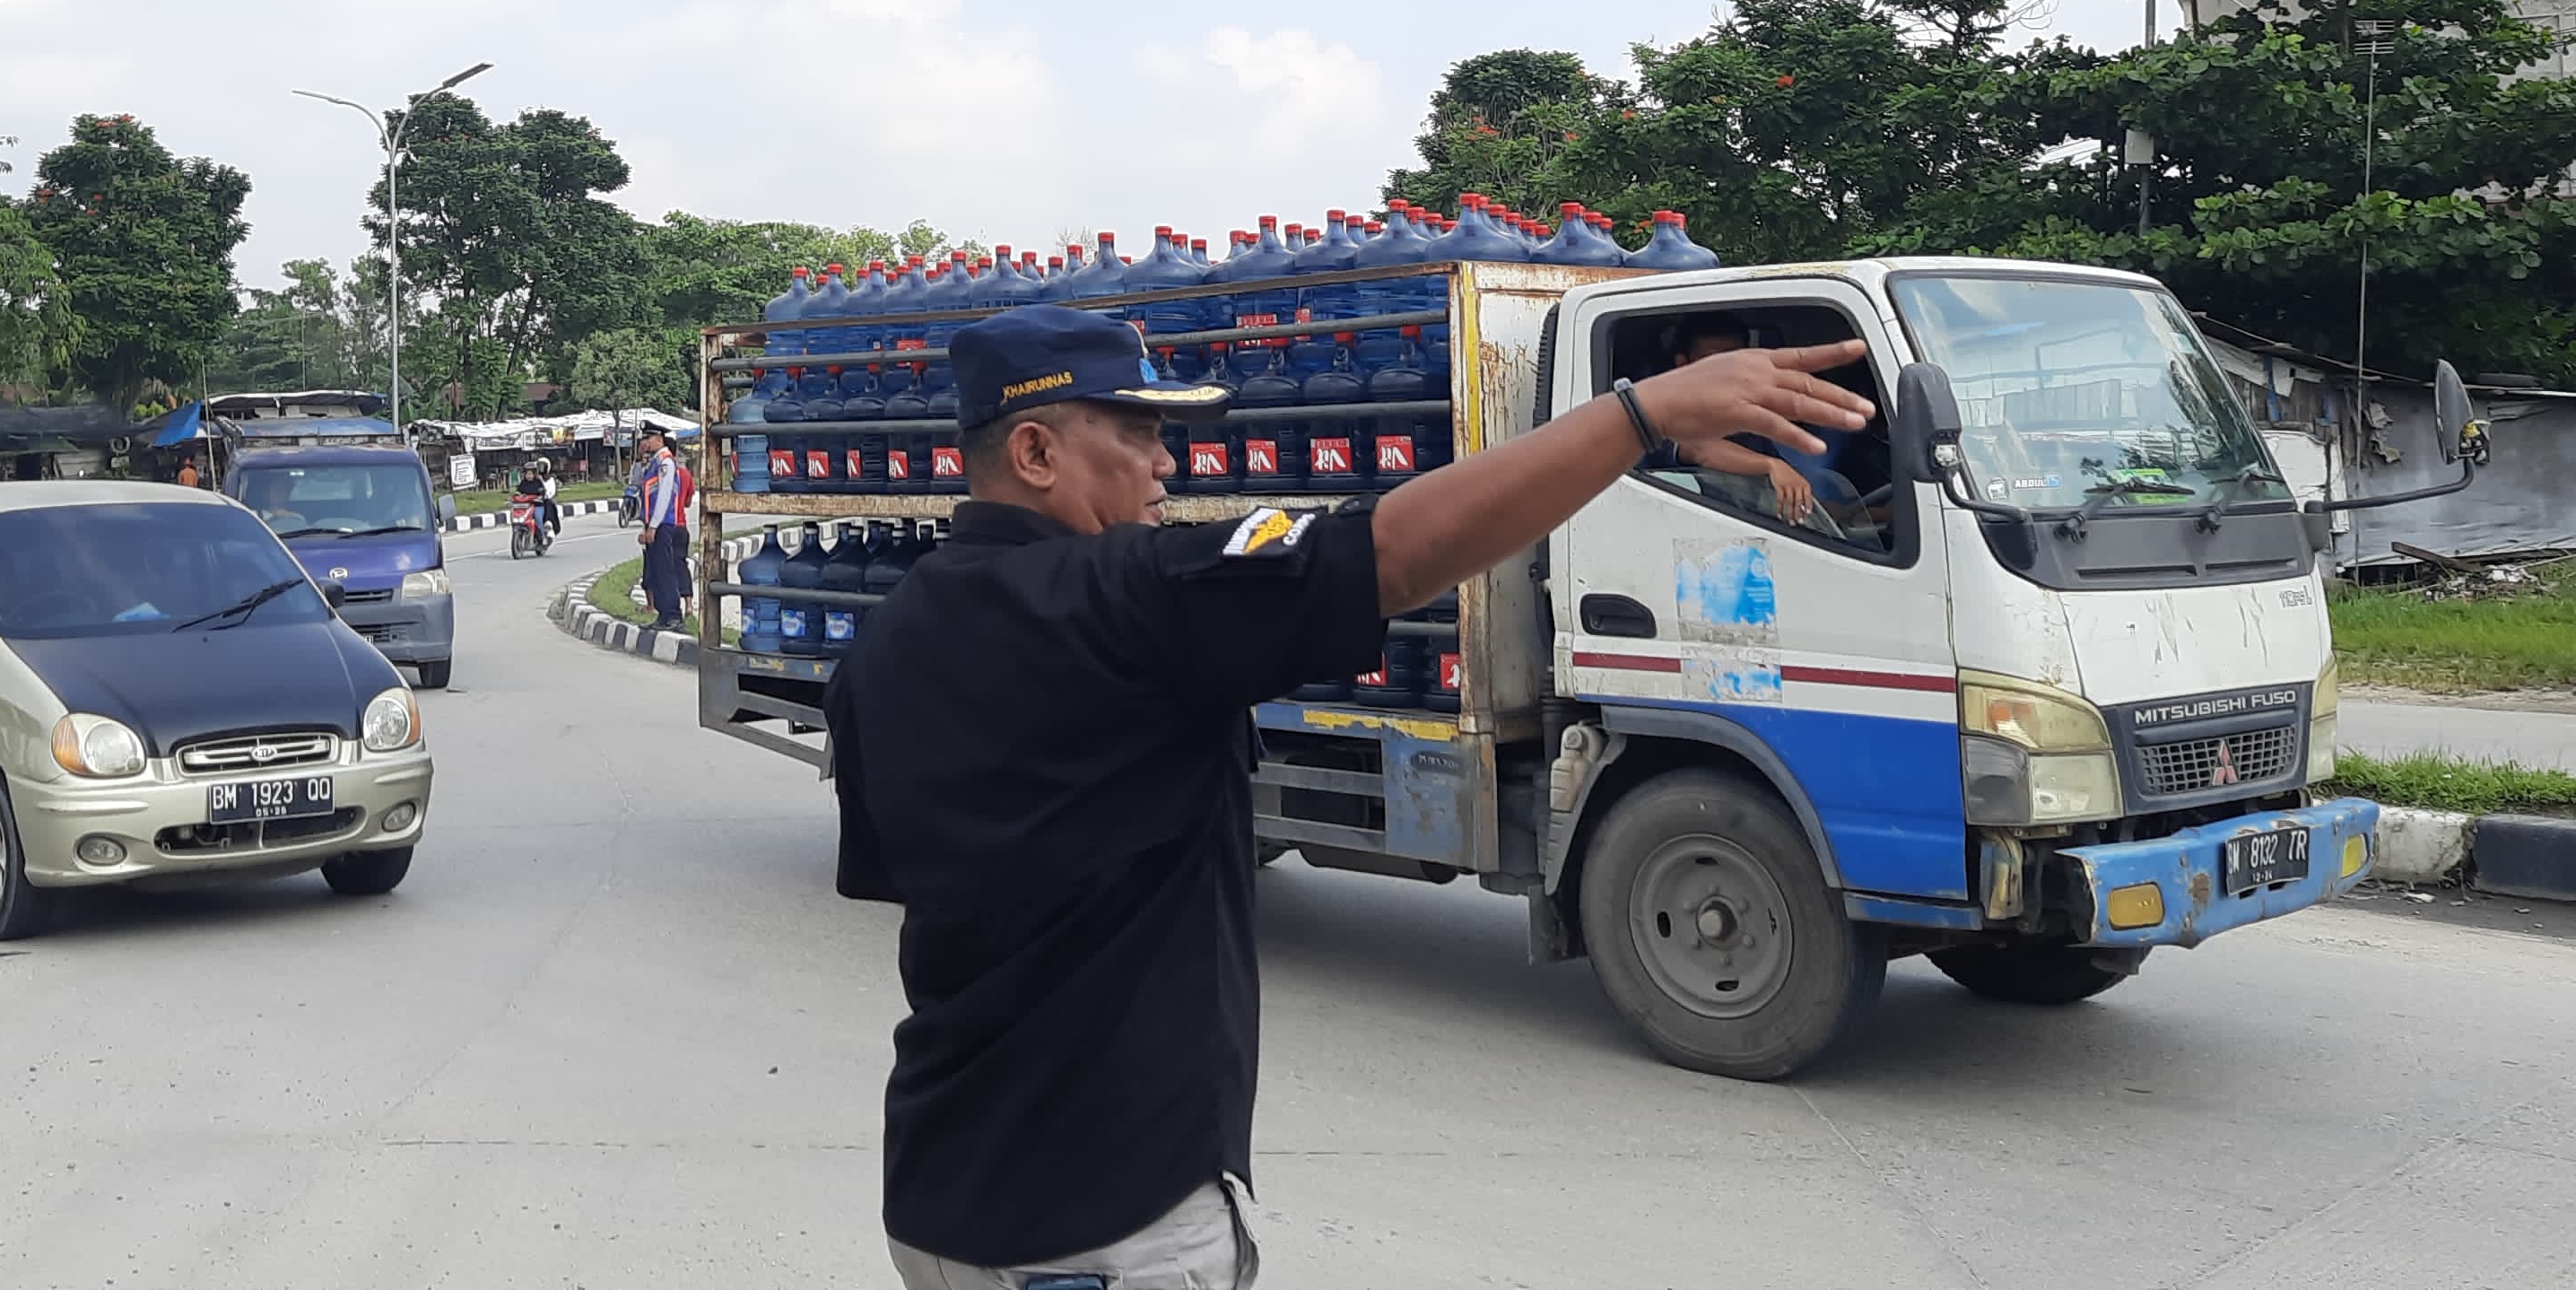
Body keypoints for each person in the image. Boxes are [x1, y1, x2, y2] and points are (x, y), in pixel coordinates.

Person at [830, 302, 1867, 1287]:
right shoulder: (1118, 601)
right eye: (1138, 433)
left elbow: (926, 886)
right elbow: (1396, 549)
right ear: (1036, 453)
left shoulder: (882, 646)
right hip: (1106, 1219)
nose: (1166, 462)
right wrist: (1642, 415)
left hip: (936, 1197)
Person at [1654, 313, 1856, 527]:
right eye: (1712, 361)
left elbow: (1792, 496)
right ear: (1682, 363)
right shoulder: (1665, 411)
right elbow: (1700, 448)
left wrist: (1874, 515)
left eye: (1734, 361)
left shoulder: (1746, 422)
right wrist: (1770, 465)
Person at [631, 423, 696, 629]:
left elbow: (665, 497)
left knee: (665, 570)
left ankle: (673, 616)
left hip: (663, 524)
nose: (645, 443)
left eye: (647, 440)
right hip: (654, 524)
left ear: (659, 439)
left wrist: (653, 526)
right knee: (657, 571)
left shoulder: (666, 463)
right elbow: (634, 482)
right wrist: (637, 458)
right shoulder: (653, 463)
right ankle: (663, 615)